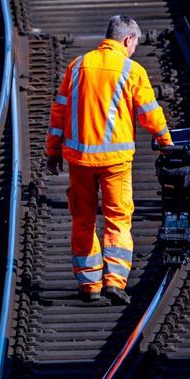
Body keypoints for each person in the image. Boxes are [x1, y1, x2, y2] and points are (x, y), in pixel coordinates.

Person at [45, 15, 173, 304]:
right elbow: (149, 113)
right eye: (135, 44)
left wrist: (52, 151)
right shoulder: (132, 70)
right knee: (118, 218)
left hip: (79, 160)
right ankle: (115, 281)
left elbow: (59, 113)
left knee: (83, 218)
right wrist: (166, 142)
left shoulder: (77, 66)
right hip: (115, 162)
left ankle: (90, 284)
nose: (134, 49)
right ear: (127, 40)